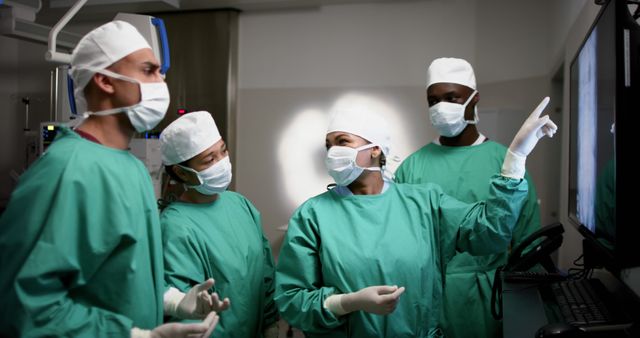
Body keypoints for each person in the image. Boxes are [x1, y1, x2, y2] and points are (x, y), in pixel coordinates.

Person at [0, 21, 220, 337]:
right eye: (149, 70)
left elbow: (118, 278)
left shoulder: (131, 167)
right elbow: (25, 306)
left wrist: (172, 300)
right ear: (105, 81)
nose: (161, 82)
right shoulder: (66, 172)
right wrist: (133, 335)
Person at [274, 94, 556, 337]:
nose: (333, 151)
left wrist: (515, 159)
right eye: (329, 144)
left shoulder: (424, 203)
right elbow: (291, 300)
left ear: (375, 149)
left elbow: (491, 232)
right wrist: (346, 303)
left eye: (343, 141)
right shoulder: (312, 215)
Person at [394, 57, 542, 338]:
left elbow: (528, 243)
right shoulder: (412, 167)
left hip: (490, 297)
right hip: (427, 297)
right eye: (433, 100)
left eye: (451, 97)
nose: (441, 107)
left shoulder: (506, 162)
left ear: (474, 100)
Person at [160, 111, 279, 338]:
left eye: (223, 151)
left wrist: (270, 322)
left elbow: (265, 272)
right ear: (181, 172)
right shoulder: (176, 226)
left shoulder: (240, 204)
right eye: (209, 159)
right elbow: (183, 304)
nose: (222, 163)